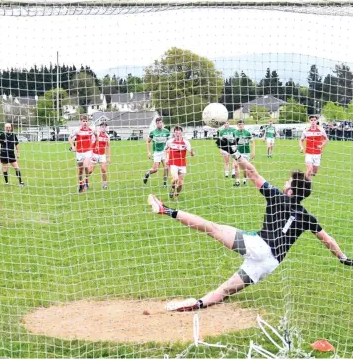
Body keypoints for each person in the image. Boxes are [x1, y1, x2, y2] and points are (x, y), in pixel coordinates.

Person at [147, 136, 353, 312]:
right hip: (270, 264)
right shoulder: (308, 216)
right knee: (226, 290)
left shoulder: (277, 197)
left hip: (259, 246)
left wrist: (234, 152)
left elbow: (252, 173)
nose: (284, 184)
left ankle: (166, 210)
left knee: (212, 228)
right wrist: (343, 258)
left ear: (290, 191)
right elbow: (328, 240)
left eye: (288, 183)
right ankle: (199, 303)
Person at [69, 115, 98, 193]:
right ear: (81, 122)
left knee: (85, 165)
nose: (85, 123)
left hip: (88, 151)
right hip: (79, 152)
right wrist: (72, 146)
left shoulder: (91, 129)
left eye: (86, 121)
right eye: (83, 121)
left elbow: (96, 135)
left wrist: (97, 144)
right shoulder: (77, 130)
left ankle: (86, 182)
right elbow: (70, 138)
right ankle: (81, 185)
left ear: (88, 122)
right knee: (80, 170)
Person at [166, 126, 195, 200]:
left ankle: (176, 195)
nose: (178, 134)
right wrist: (167, 159)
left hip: (182, 164)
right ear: (174, 133)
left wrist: (192, 152)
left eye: (179, 132)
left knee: (180, 183)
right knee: (175, 179)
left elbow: (191, 154)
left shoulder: (186, 142)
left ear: (181, 133)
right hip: (173, 163)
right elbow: (165, 150)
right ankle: (172, 188)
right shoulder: (170, 141)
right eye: (176, 132)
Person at [143, 117, 171, 187]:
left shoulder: (166, 131)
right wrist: (148, 152)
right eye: (157, 123)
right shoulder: (153, 132)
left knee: (166, 167)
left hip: (164, 152)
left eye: (160, 122)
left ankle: (164, 183)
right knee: (155, 169)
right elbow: (148, 141)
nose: (159, 124)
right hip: (157, 152)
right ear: (156, 124)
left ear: (162, 123)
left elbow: (170, 141)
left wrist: (169, 149)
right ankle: (147, 173)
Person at [88, 122, 111, 190]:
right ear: (100, 128)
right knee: (90, 170)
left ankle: (105, 184)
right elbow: (93, 137)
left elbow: (108, 147)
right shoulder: (97, 134)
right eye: (102, 127)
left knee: (104, 169)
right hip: (94, 154)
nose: (104, 128)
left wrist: (109, 157)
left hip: (102, 155)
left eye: (105, 127)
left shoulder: (107, 137)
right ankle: (85, 182)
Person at [233, 120, 255, 186]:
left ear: (244, 125)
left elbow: (253, 142)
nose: (240, 125)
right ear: (237, 125)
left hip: (246, 152)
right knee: (236, 165)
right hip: (237, 152)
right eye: (239, 124)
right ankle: (237, 182)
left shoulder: (247, 133)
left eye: (242, 124)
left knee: (244, 168)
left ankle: (245, 179)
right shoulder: (234, 133)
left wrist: (253, 152)